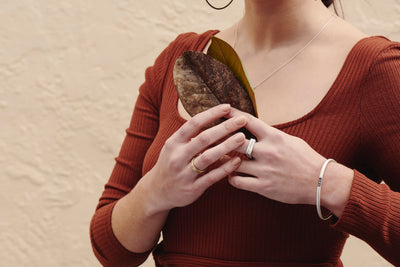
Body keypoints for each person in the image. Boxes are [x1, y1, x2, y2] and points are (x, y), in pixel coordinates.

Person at [90, 0, 400, 266]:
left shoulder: (378, 69)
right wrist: (156, 191)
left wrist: (327, 182)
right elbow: (111, 252)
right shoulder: (180, 59)